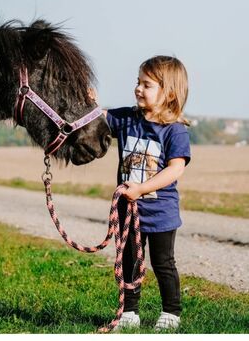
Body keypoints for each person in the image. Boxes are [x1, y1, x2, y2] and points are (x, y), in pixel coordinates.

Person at [90, 55, 191, 332]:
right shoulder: (126, 119)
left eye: (146, 84)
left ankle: (171, 312)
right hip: (128, 211)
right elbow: (98, 119)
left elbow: (175, 169)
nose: (138, 88)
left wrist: (142, 189)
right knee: (130, 260)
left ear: (168, 92)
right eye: (138, 82)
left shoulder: (174, 130)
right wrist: (89, 102)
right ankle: (129, 311)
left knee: (163, 264)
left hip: (161, 214)